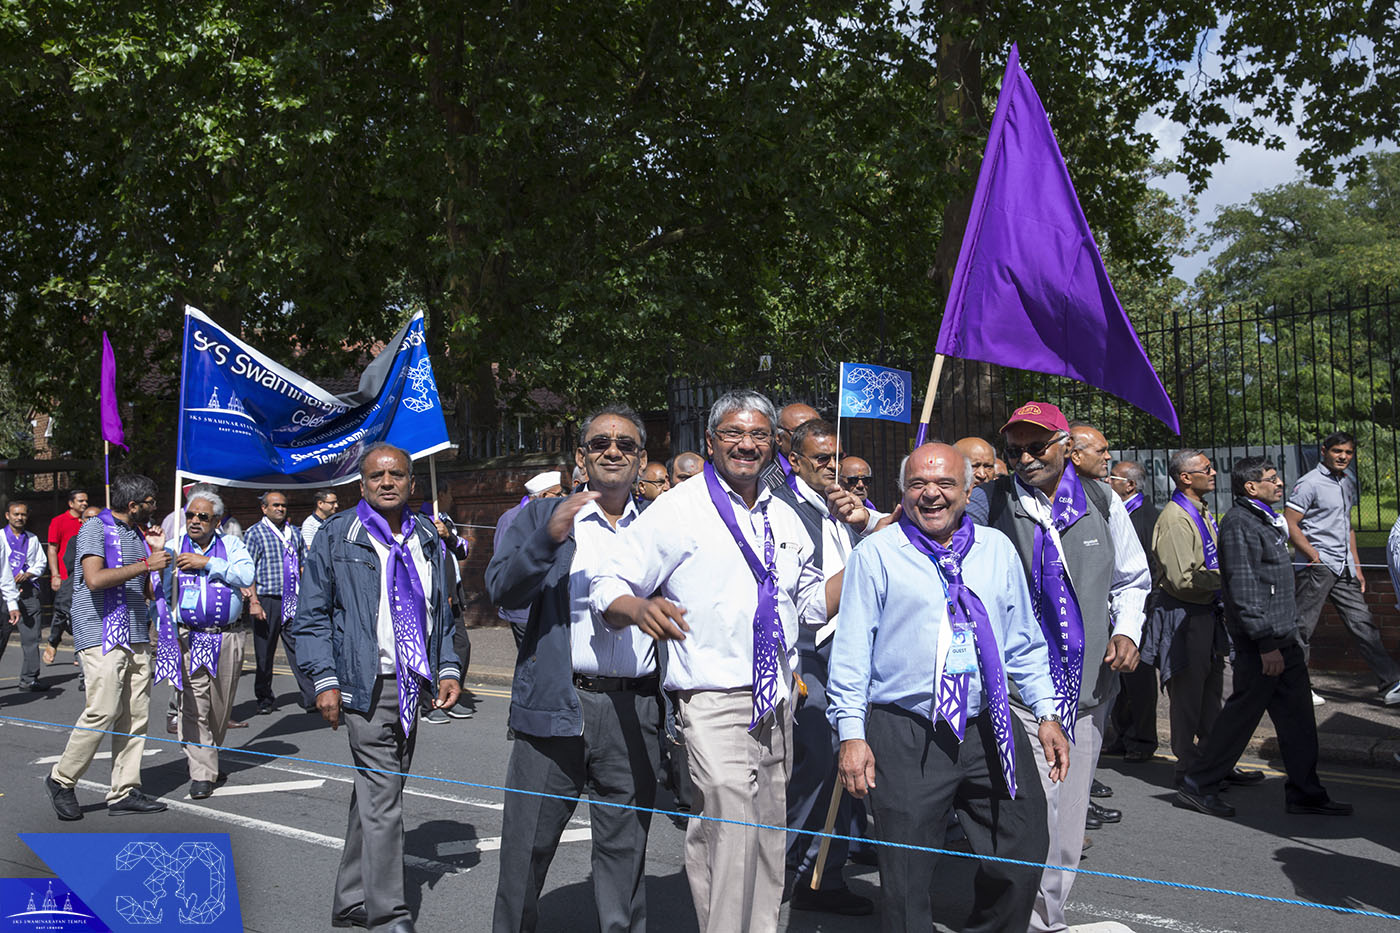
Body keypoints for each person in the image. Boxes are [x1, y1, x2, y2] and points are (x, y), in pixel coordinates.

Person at [592, 389, 824, 933]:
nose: (747, 444)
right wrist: (638, 607)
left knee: (768, 833)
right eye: (734, 433)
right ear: (711, 441)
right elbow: (608, 581)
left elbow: (811, 603)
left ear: (775, 444)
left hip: (776, 698)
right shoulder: (679, 509)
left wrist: (873, 547)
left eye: (759, 434)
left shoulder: (785, 516)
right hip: (712, 698)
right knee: (729, 828)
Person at [828, 442, 1068, 933]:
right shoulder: (876, 555)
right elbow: (851, 652)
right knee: (905, 879)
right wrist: (851, 734)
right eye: (918, 484)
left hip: (988, 724)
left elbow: (1024, 640)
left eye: (944, 483)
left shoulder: (996, 549)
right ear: (902, 491)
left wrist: (1047, 712)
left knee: (1021, 851)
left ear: (968, 489)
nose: (931, 494)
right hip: (906, 729)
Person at [488, 404, 659, 933]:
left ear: (642, 459)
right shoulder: (540, 517)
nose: (613, 451)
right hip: (557, 704)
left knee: (625, 852)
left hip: (634, 707)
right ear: (581, 457)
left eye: (626, 444)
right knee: (526, 849)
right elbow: (503, 591)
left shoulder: (660, 526)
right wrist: (547, 539)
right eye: (600, 443)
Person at [979, 401, 1149, 933]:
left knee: (1069, 822)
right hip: (1021, 690)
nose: (1025, 459)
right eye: (1015, 451)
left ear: (1066, 447)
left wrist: (1127, 630)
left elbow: (1132, 578)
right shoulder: (993, 501)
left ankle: (1045, 915)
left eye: (1036, 447)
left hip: (1089, 688)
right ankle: (1028, 920)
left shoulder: (1101, 499)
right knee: (1036, 813)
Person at [293, 443, 462, 933]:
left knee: (376, 793)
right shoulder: (337, 534)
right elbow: (311, 617)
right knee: (384, 797)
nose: (387, 482)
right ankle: (389, 915)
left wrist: (448, 668)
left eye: (397, 475)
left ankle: (351, 900)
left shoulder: (427, 535)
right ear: (362, 484)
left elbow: (441, 613)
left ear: (412, 482)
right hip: (363, 685)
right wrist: (325, 680)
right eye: (376, 476)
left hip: (411, 685)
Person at [1176, 457, 1351, 818]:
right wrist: (1265, 643)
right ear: (1251, 487)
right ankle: (1198, 783)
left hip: (1284, 637)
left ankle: (1305, 792)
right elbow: (1243, 589)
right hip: (1263, 643)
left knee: (1298, 720)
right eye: (1271, 479)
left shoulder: (1264, 519)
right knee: (1240, 718)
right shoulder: (1240, 523)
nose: (1280, 483)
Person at [773, 419, 873, 916]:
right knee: (816, 757)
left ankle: (824, 874)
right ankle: (788, 866)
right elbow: (803, 601)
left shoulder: (846, 507)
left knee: (846, 757)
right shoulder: (782, 509)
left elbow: (887, 529)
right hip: (805, 651)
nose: (833, 467)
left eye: (837, 457)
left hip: (851, 648)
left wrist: (865, 524)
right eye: (821, 459)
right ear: (795, 462)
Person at [44, 474, 170, 820]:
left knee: (136, 714)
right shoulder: (94, 529)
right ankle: (61, 779)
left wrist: (156, 554)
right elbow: (94, 579)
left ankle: (124, 791)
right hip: (100, 631)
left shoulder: (139, 535)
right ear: (132, 505)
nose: (154, 507)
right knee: (102, 709)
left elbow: (147, 590)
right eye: (149, 502)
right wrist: (145, 564)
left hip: (135, 631)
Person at [1140, 450, 1250, 791]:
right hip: (1186, 616)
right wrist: (1227, 580)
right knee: (1188, 697)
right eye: (1206, 469)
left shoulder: (1200, 511)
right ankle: (1188, 769)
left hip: (1208, 612)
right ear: (1185, 477)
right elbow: (1182, 580)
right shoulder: (1176, 518)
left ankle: (1215, 763)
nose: (1214, 473)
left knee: (1214, 694)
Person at [1287, 431, 1400, 705]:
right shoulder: (1309, 483)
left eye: (1348, 452)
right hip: (1317, 567)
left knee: (1363, 624)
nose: (1343, 457)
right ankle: (1297, 686)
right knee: (1302, 627)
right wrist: (1313, 555)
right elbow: (1289, 523)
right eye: (1337, 451)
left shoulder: (1346, 482)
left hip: (1344, 567)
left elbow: (1347, 525)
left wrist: (1357, 567)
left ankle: (1390, 683)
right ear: (1324, 451)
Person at [164, 491, 255, 798]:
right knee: (193, 706)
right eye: (190, 515)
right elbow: (159, 592)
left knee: (219, 707)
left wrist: (207, 563)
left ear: (216, 521)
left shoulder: (231, 545)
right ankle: (202, 772)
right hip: (189, 637)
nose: (194, 521)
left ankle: (208, 758)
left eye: (202, 516)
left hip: (226, 637)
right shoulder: (174, 546)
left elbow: (246, 574)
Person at [1106, 460, 1161, 763]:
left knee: (1139, 679)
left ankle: (1142, 738)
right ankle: (1122, 735)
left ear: (1129, 485)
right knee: (1119, 679)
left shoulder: (1146, 517)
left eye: (1112, 477)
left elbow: (1146, 569)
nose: (1106, 481)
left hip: (1140, 610)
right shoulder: (1114, 511)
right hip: (1114, 610)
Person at [244, 490, 315, 714]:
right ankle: (264, 698)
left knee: (300, 648)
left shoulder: (294, 532)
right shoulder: (255, 533)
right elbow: (247, 570)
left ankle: (311, 697)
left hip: (293, 599)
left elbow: (303, 564)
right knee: (264, 652)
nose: (280, 509)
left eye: (283, 505)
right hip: (267, 599)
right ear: (264, 508)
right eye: (275, 505)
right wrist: (254, 601)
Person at [3, 502, 47, 690]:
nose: (20, 518)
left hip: (28, 591)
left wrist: (29, 574)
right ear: (8, 515)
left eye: (23, 514)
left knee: (31, 637)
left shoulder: (32, 539)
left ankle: (29, 678)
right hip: (4, 593)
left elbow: (41, 562)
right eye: (16, 514)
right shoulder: (0, 537)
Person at [43, 488, 89, 665]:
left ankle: (80, 652)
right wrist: (55, 574)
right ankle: (53, 641)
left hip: (86, 577)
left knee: (81, 614)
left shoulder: (89, 522)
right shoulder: (59, 521)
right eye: (80, 501)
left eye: (86, 501)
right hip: (66, 576)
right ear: (71, 503)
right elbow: (52, 549)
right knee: (62, 611)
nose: (84, 503)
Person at [760, 402, 819, 493]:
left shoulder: (833, 476)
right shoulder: (766, 486)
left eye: (818, 431)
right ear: (779, 438)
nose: (812, 439)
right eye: (800, 432)